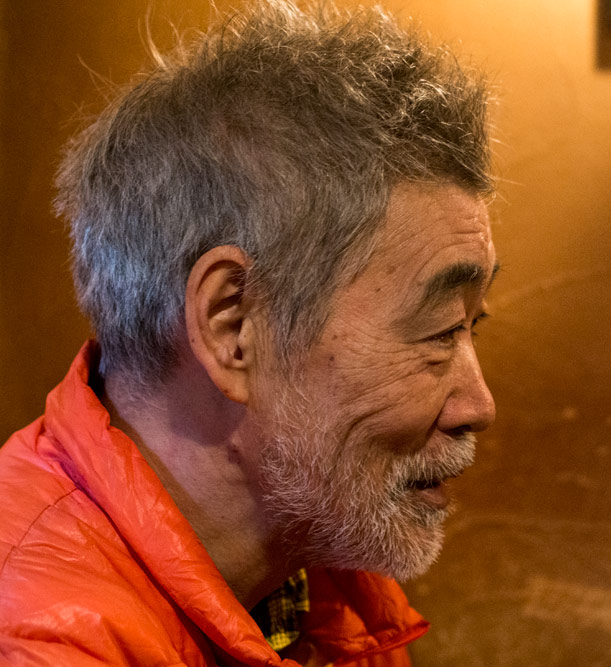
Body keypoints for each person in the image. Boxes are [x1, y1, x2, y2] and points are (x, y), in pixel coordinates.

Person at [0, 1, 498, 665]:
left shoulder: (320, 574)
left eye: (472, 326)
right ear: (233, 325)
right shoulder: (42, 638)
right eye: (438, 331)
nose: (478, 405)